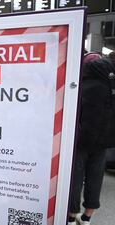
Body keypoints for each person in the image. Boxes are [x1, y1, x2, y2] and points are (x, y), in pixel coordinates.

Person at [68, 52, 112, 225]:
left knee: (76, 178)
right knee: (95, 178)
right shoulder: (110, 84)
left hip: (80, 140)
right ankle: (86, 218)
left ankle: (71, 218)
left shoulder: (79, 84)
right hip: (103, 141)